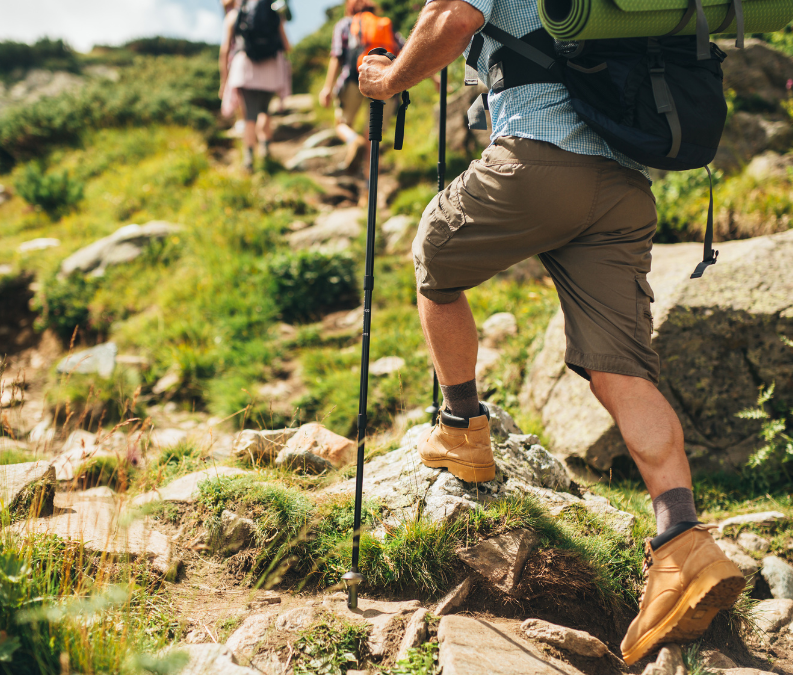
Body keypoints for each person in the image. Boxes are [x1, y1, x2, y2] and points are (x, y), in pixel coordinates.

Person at [357, 0, 745, 667]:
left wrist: (390, 79)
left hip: (538, 161)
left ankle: (461, 427)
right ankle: (683, 540)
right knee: (621, 367)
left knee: (435, 257)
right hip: (623, 187)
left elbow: (453, 16)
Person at [319, 0, 403, 173]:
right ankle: (369, 182)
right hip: (382, 81)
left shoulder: (345, 24)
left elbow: (337, 56)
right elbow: (406, 51)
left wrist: (328, 88)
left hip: (353, 79)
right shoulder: (384, 24)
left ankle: (352, 140)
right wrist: (435, 79)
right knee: (372, 136)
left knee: (341, 123)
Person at [220, 0, 292, 170]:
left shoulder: (234, 15)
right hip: (270, 69)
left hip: (245, 68)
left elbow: (224, 50)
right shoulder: (274, 11)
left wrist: (224, 81)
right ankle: (266, 151)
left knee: (249, 116)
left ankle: (249, 159)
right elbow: (287, 46)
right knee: (265, 111)